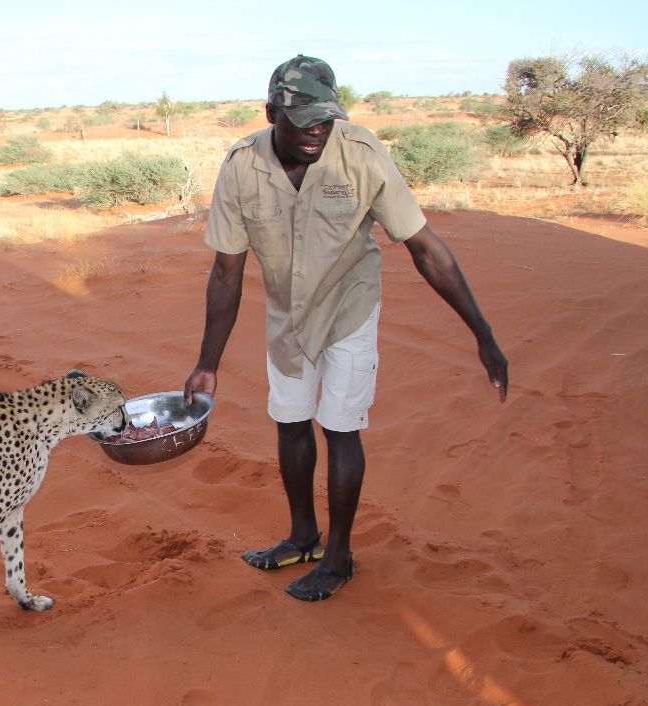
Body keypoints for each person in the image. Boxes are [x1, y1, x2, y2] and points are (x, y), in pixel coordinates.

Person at [183, 55, 508, 603]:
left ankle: (338, 556)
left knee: (339, 427)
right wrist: (207, 363)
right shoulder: (241, 165)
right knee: (289, 421)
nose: (316, 131)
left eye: (325, 118)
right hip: (288, 315)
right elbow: (226, 272)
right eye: (302, 119)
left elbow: (425, 248)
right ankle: (303, 536)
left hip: (350, 308)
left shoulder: (360, 153)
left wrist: (483, 333)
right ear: (270, 114)